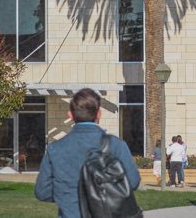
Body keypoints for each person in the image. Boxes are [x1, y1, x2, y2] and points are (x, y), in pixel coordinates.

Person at [35, 88, 140, 218]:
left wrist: (65, 195)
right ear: (99, 114)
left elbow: (42, 192)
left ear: (70, 115)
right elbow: (133, 181)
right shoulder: (116, 145)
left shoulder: (55, 149)